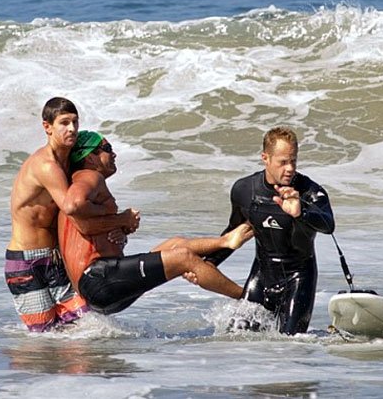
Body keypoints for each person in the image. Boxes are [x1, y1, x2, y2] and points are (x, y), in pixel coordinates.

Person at [57, 131, 254, 315]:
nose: (114, 154)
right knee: (183, 258)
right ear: (90, 157)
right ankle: (250, 299)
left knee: (175, 244)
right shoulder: (89, 176)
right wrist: (121, 219)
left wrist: (121, 228)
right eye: (107, 149)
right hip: (100, 279)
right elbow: (73, 205)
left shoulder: (85, 181)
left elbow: (89, 229)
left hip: (101, 284)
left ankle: (226, 241)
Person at [4, 97, 140, 332]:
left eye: (75, 122)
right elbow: (71, 207)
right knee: (44, 337)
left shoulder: (69, 164)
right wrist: (115, 217)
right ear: (47, 127)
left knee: (86, 327)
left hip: (56, 258)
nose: (72, 129)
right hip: (27, 262)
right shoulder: (46, 165)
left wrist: (117, 228)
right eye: (64, 123)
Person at [203, 126, 335, 335]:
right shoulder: (245, 190)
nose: (290, 168)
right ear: (265, 158)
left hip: (299, 279)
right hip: (261, 277)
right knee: (234, 338)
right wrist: (207, 263)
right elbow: (233, 232)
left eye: (293, 160)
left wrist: (301, 213)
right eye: (283, 162)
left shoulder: (309, 191)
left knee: (290, 344)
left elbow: (328, 225)